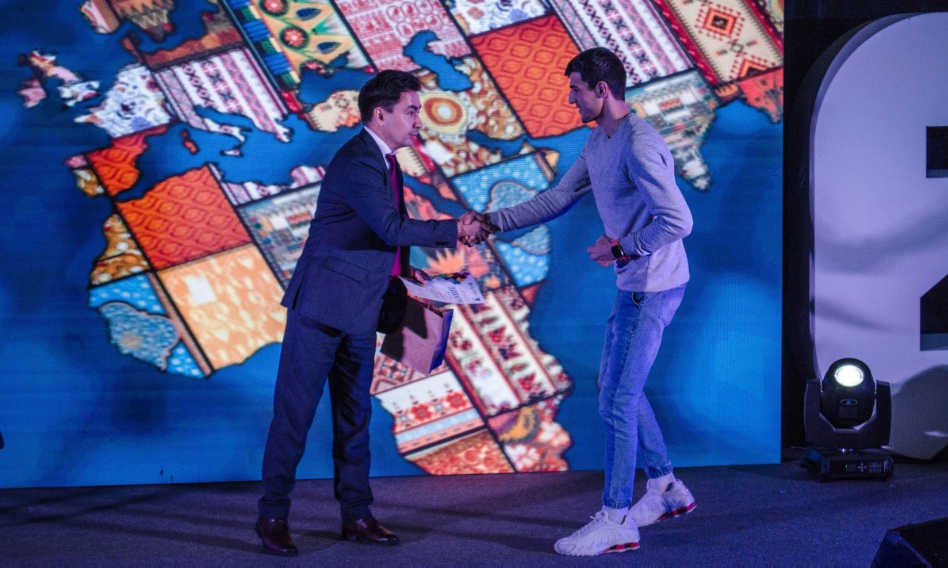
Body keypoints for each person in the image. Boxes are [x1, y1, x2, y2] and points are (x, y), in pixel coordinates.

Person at [255, 70, 492, 556]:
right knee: (294, 418)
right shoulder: (358, 161)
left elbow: (382, 236)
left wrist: (409, 276)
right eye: (411, 111)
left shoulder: (386, 160)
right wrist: (456, 230)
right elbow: (389, 227)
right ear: (380, 114)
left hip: (362, 309)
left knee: (355, 418)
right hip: (321, 309)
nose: (418, 121)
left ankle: (357, 515)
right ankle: (272, 516)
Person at [481, 47, 696, 556]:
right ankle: (666, 488)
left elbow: (679, 221)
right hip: (634, 284)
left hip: (653, 287)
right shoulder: (600, 139)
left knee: (618, 399)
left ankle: (617, 518)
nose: (570, 98)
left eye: (576, 90)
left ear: (602, 90)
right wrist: (490, 223)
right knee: (618, 389)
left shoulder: (638, 145)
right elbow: (558, 198)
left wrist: (622, 248)